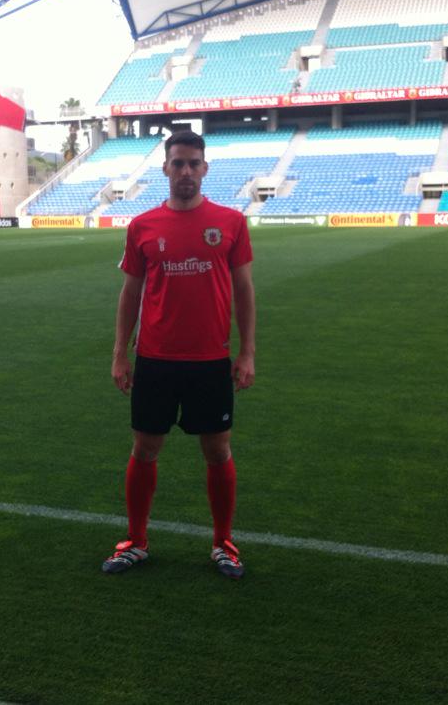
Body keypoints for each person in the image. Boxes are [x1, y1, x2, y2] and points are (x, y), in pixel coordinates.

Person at [104, 129, 256, 579]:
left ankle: (223, 543)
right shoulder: (143, 226)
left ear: (205, 168)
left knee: (217, 450)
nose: (186, 171)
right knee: (145, 448)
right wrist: (119, 352)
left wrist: (247, 352)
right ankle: (135, 540)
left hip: (210, 360)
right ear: (165, 169)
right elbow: (130, 292)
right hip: (155, 359)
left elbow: (244, 291)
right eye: (178, 164)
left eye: (193, 163)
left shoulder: (230, 222)